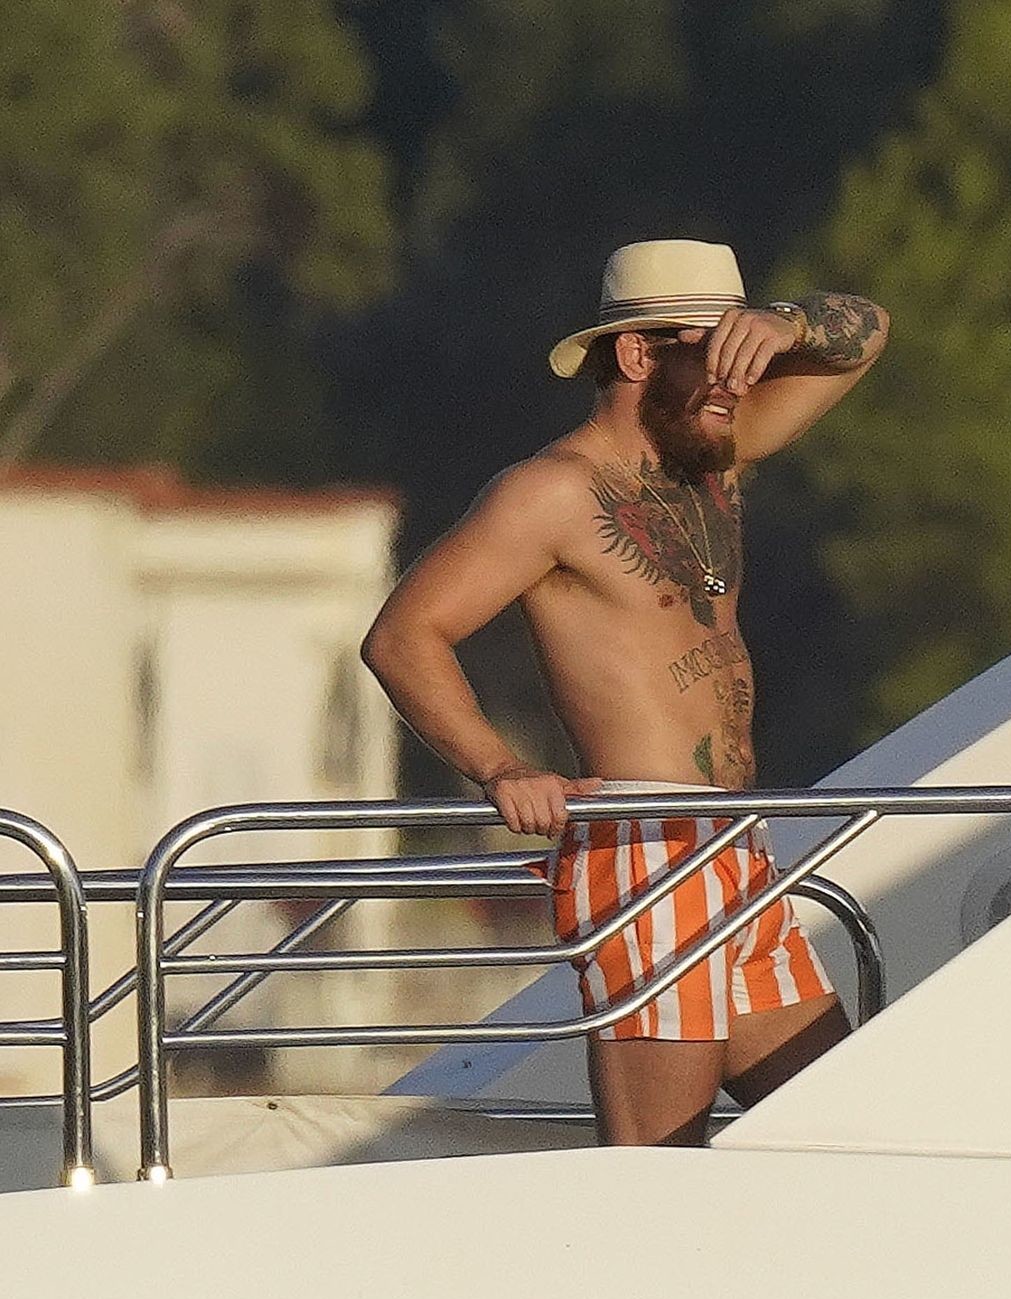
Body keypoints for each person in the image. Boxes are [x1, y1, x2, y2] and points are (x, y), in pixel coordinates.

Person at [361, 238, 889, 1144]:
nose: (738, 380)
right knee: (656, 1165)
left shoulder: (714, 459)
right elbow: (403, 636)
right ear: (639, 353)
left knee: (839, 1138)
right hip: (646, 846)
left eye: (746, 355)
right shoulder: (551, 492)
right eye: (716, 354)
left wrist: (786, 325)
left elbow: (868, 333)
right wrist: (499, 767)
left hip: (734, 842)